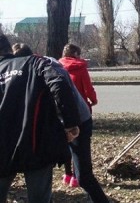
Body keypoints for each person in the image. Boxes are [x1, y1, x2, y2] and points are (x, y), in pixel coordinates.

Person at [13, 43, 109, 202]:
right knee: (47, 163)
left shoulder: (45, 66)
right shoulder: (36, 66)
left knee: (83, 176)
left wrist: (70, 125)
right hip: (60, 122)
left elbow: (59, 92)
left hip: (78, 121)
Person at [0, 34, 80, 203]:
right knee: (40, 198)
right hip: (36, 144)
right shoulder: (37, 62)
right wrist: (70, 123)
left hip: (5, 146)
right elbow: (59, 83)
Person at [58, 44, 109, 202]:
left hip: (63, 114)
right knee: (81, 148)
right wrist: (93, 100)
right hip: (81, 112)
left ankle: (68, 176)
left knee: (68, 144)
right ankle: (78, 176)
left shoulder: (57, 67)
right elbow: (88, 89)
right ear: (75, 54)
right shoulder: (80, 68)